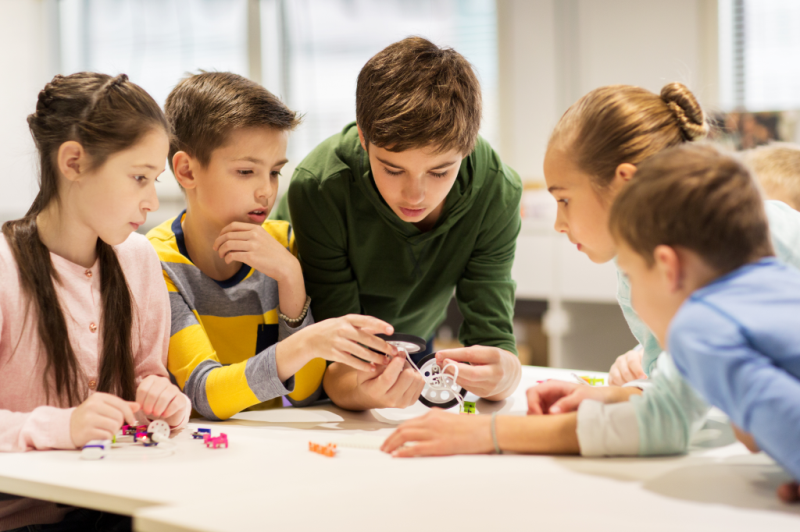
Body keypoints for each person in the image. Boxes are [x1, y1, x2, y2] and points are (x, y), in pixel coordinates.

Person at [272, 37, 522, 410]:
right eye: (392, 168)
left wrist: (506, 374)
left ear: (468, 148)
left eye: (440, 171)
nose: (415, 195)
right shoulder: (320, 186)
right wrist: (358, 388)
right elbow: (335, 359)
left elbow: (492, 338)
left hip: (413, 342)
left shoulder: (497, 189)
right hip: (300, 355)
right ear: (363, 137)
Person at [0, 72, 191, 531]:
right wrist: (63, 427)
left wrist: (165, 402)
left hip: (119, 507)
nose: (151, 201)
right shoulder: (5, 268)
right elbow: (71, 426)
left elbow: (146, 379)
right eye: (139, 177)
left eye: (155, 179)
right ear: (73, 162)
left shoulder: (139, 259)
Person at [148, 72, 398, 421]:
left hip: (266, 451)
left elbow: (305, 393)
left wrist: (291, 278)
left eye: (275, 172)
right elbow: (205, 394)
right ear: (187, 171)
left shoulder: (285, 247)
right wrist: (306, 342)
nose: (266, 191)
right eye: (246, 172)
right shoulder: (155, 262)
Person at [610, 144, 800, 503]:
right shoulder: (780, 280)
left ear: (667, 267)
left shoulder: (696, 325)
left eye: (631, 275)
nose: (631, 296)